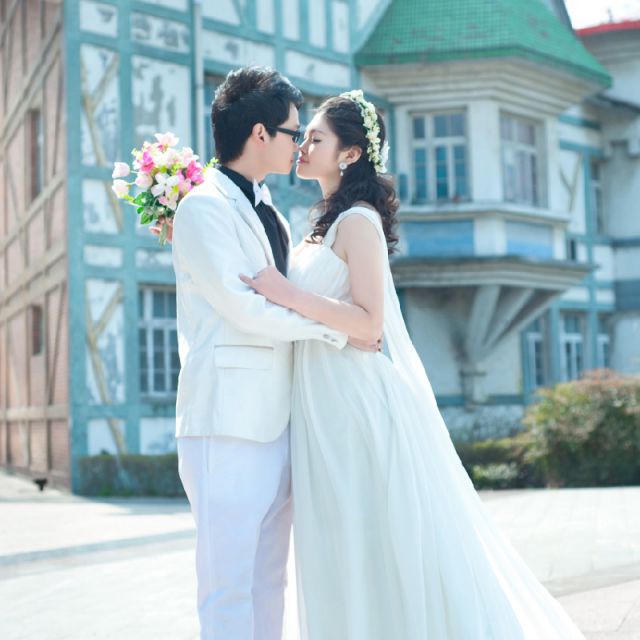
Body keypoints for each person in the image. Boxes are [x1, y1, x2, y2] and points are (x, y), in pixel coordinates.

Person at [240, 91, 587, 639]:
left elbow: (369, 324)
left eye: (316, 138)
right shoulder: (318, 224)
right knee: (337, 542)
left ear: (350, 153)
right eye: (303, 137)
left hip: (354, 403)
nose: (302, 145)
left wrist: (286, 293)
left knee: (368, 538)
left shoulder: (358, 222)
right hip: (321, 402)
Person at [165, 68, 379, 640]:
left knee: (269, 582)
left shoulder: (275, 214)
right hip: (226, 423)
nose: (298, 145)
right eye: (292, 133)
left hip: (281, 422)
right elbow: (245, 309)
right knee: (227, 584)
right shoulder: (202, 208)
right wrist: (337, 332)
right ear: (260, 133)